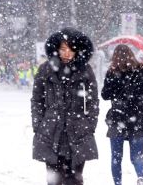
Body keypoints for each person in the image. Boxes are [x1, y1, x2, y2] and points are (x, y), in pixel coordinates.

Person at [31, 28, 99, 185]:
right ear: (56, 49)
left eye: (71, 49)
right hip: (51, 131)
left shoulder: (85, 71)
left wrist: (89, 125)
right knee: (53, 180)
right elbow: (36, 101)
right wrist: (39, 125)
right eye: (63, 49)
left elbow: (93, 101)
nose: (67, 53)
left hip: (77, 131)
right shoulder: (45, 70)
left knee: (74, 180)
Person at [101, 44, 143, 185]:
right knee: (137, 155)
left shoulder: (112, 72)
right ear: (132, 54)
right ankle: (140, 176)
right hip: (138, 118)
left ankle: (118, 183)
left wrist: (116, 89)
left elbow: (105, 95)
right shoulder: (142, 70)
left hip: (118, 117)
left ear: (114, 57)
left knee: (116, 157)